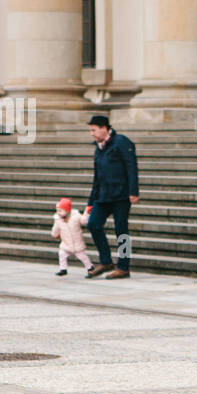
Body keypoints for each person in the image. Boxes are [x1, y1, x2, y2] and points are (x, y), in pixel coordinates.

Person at [84, 115, 139, 279]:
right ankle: (106, 261)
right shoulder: (98, 147)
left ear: (104, 128)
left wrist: (133, 191)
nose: (92, 134)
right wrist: (90, 202)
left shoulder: (121, 141)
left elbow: (132, 167)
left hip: (121, 195)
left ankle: (124, 267)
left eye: (93, 130)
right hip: (103, 195)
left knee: (121, 231)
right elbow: (96, 177)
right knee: (93, 224)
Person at [50, 197, 92, 277]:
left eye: (60, 211)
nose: (58, 213)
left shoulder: (76, 216)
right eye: (57, 210)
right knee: (62, 254)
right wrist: (54, 234)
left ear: (67, 210)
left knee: (82, 256)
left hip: (77, 242)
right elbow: (55, 229)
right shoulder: (58, 220)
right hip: (66, 243)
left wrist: (87, 212)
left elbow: (84, 221)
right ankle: (63, 269)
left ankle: (90, 267)